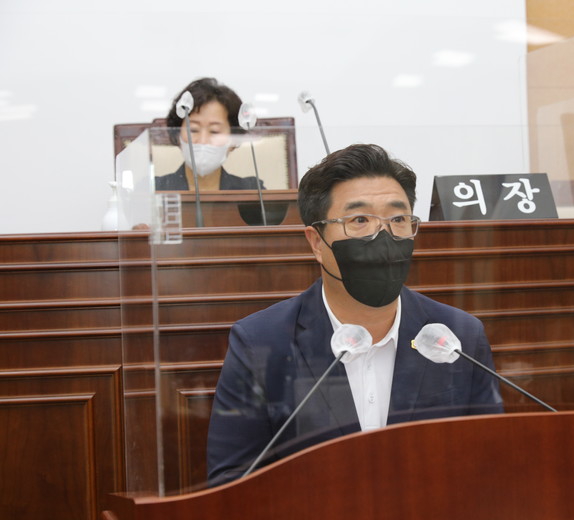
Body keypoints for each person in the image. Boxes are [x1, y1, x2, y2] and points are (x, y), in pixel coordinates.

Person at [206, 144, 503, 486]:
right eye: (360, 220)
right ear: (317, 243)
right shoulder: (260, 342)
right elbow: (230, 482)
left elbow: (491, 466)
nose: (383, 236)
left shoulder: (459, 337)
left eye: (398, 219)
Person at [155, 77, 262, 191]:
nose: (203, 141)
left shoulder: (252, 190)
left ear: (233, 139)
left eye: (214, 131)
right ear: (177, 135)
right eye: (193, 130)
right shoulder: (154, 188)